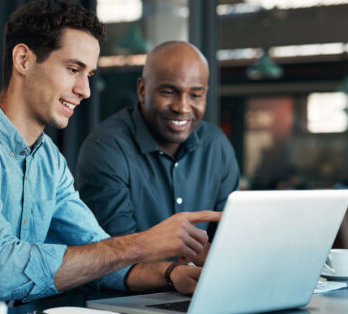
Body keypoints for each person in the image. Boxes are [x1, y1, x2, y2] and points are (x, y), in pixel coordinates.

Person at [0, 2, 220, 313]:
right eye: (73, 69)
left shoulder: (48, 162)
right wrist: (144, 243)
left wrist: (174, 273)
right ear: (24, 60)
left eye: (89, 75)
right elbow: (0, 271)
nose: (85, 90)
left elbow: (98, 252)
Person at [76, 41, 240, 245]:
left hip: (202, 277)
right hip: (137, 275)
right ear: (143, 90)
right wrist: (176, 273)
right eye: (169, 92)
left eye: (195, 95)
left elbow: (228, 237)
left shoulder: (216, 146)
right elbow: (116, 252)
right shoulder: (106, 148)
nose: (182, 107)